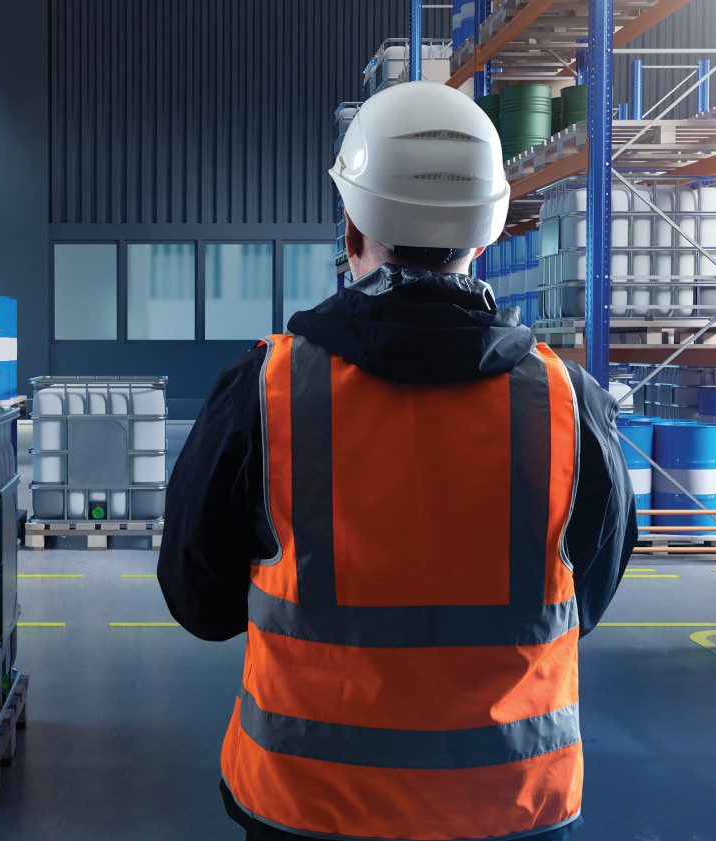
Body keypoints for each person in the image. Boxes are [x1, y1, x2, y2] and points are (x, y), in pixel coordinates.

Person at [157, 81, 636, 841]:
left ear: (351, 232)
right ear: (485, 235)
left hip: (307, 806)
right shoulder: (566, 403)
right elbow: (591, 596)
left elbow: (197, 599)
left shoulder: (268, 389)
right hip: (510, 807)